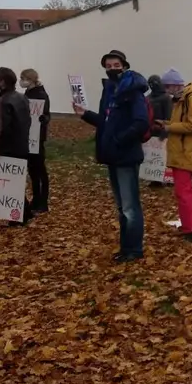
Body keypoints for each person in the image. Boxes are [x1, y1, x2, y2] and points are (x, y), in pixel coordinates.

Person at [73, 50, 150, 263]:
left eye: (116, 65)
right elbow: (105, 122)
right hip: (112, 155)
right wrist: (85, 114)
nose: (112, 69)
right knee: (121, 207)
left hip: (126, 155)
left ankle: (134, 249)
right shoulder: (109, 90)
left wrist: (119, 139)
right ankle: (126, 248)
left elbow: (141, 122)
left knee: (130, 206)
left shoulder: (133, 91)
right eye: (108, 66)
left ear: (124, 66)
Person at [155, 69, 192, 241]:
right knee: (183, 192)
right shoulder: (181, 100)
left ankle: (191, 229)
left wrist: (169, 127)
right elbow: (180, 123)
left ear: (175, 85)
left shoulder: (191, 99)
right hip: (180, 151)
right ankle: (190, 226)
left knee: (184, 192)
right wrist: (165, 123)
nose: (166, 90)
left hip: (185, 151)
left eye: (167, 86)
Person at [0, 67, 33, 227]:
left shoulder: (3, 100)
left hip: (9, 147)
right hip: (21, 144)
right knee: (16, 182)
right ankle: (26, 212)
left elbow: (1, 127)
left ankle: (17, 218)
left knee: (10, 184)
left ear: (2, 81)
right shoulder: (21, 98)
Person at [19, 69, 52, 214]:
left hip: (37, 138)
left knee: (39, 170)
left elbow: (45, 115)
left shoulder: (40, 94)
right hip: (29, 137)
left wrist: (43, 119)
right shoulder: (28, 93)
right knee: (33, 170)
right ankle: (36, 199)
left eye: (23, 78)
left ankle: (42, 201)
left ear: (31, 79)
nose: (21, 81)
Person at [145, 73, 173, 188]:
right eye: (151, 83)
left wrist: (165, 129)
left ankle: (169, 179)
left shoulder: (166, 98)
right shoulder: (148, 98)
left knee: (166, 156)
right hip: (152, 131)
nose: (153, 85)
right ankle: (155, 179)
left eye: (155, 83)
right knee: (153, 156)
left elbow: (169, 116)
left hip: (164, 130)